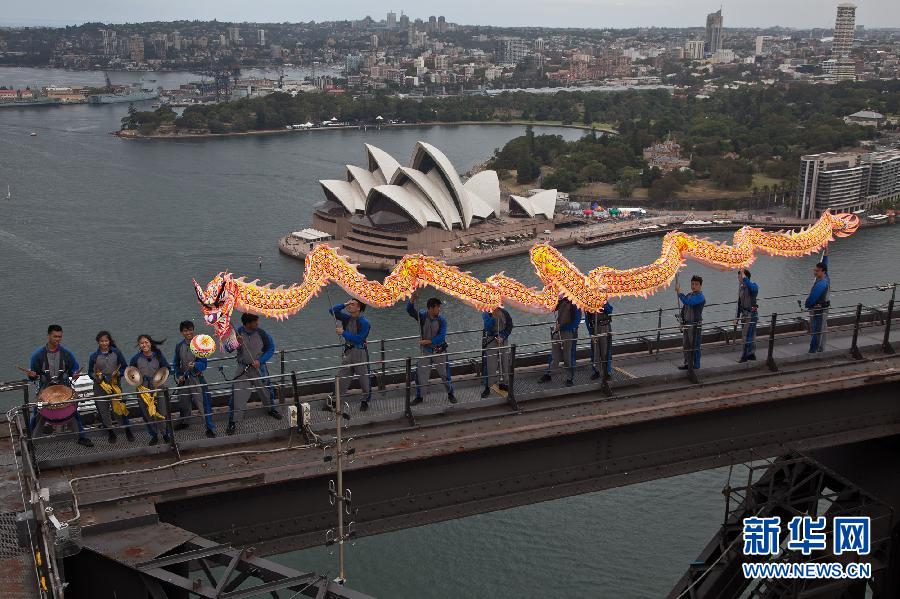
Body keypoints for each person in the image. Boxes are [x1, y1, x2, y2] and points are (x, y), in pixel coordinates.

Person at [25, 324, 94, 447]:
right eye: (55, 336)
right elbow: (33, 376)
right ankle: (30, 442)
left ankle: (81, 437)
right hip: (44, 390)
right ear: (48, 336)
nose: (57, 339)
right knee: (37, 415)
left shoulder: (66, 354)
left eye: (60, 337)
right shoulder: (38, 355)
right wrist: (32, 375)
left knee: (73, 413)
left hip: (64, 389)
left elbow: (74, 368)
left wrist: (75, 374)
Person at [226, 313, 283, 434]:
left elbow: (271, 348)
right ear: (247, 324)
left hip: (259, 368)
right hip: (243, 369)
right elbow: (228, 348)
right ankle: (233, 421)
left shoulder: (262, 333)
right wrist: (236, 342)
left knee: (266, 390)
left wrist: (260, 361)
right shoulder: (236, 332)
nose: (257, 324)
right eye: (255, 322)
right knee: (237, 394)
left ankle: (271, 409)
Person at [406, 295, 455, 404]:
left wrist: (427, 341)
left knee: (444, 374)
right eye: (437, 307)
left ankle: (450, 393)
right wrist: (412, 300)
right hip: (426, 352)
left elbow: (441, 337)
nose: (439, 309)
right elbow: (410, 311)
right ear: (430, 308)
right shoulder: (422, 316)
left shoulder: (442, 320)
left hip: (439, 351)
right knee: (421, 374)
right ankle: (420, 396)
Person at [87, 331, 134, 443]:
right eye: (102, 341)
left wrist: (118, 374)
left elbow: (125, 368)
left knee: (119, 409)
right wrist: (96, 377)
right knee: (103, 411)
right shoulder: (94, 356)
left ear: (109, 341)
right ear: (98, 342)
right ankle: (110, 432)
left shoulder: (116, 352)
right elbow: (89, 372)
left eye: (106, 341)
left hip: (115, 385)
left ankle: (127, 430)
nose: (104, 343)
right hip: (99, 387)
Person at [172, 321, 216, 438]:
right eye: (185, 330)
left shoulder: (200, 345)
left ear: (193, 330)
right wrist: (178, 375)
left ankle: (210, 427)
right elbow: (176, 363)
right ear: (181, 332)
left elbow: (204, 364)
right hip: (184, 380)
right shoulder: (179, 346)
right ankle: (185, 422)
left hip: (197, 378)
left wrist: (196, 365)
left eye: (190, 329)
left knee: (203, 404)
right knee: (183, 403)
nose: (188, 332)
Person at [330, 299, 373, 411]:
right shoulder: (346, 318)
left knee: (364, 379)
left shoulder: (364, 322)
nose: (349, 306)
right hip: (348, 352)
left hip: (360, 353)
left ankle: (365, 400)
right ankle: (335, 401)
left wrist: (343, 333)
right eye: (349, 304)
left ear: (359, 308)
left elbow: (359, 339)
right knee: (341, 377)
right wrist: (344, 304)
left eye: (352, 304)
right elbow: (332, 310)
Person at [129, 335, 171, 446]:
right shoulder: (135, 358)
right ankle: (154, 435)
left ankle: (165, 434)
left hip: (158, 386)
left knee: (162, 411)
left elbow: (167, 368)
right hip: (143, 389)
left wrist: (161, 375)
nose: (144, 345)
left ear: (150, 343)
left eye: (146, 342)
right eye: (142, 343)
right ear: (139, 345)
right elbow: (130, 373)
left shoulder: (158, 356)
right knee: (147, 412)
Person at [539, 297, 582, 387]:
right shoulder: (562, 301)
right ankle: (549, 374)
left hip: (568, 333)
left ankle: (569, 378)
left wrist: (562, 328)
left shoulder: (576, 304)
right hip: (558, 331)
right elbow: (553, 308)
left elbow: (576, 322)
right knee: (555, 355)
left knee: (568, 357)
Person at [481, 305, 513, 398]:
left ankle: (504, 383)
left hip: (503, 340)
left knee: (504, 362)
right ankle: (488, 386)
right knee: (490, 364)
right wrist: (492, 315)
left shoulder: (505, 312)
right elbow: (487, 327)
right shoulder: (486, 312)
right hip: (491, 340)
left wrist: (503, 336)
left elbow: (510, 325)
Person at [676, 276, 706, 370]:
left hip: (695, 325)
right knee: (686, 345)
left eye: (696, 284)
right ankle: (687, 364)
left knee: (695, 346)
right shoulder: (689, 295)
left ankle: (696, 365)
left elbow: (689, 302)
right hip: (686, 324)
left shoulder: (700, 297)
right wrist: (681, 321)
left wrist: (679, 292)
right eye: (692, 284)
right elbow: (684, 309)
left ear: (700, 286)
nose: (694, 286)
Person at [805, 247, 830, 353]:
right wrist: (826, 254)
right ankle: (820, 348)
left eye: (817, 271)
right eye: (814, 270)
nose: (815, 272)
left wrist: (807, 304)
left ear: (822, 271)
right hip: (824, 309)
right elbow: (825, 264)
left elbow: (813, 298)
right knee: (822, 329)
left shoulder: (821, 283)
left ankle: (814, 350)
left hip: (819, 309)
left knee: (817, 330)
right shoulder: (826, 277)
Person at [735, 270, 759, 362]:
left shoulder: (754, 286)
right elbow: (739, 303)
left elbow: (753, 289)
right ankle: (751, 354)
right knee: (750, 335)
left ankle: (745, 355)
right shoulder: (741, 288)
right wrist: (737, 317)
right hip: (744, 314)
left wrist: (745, 278)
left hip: (751, 314)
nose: (738, 279)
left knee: (747, 336)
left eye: (740, 276)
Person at [585, 301, 614, 380]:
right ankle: (596, 371)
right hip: (594, 328)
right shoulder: (587, 303)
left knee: (606, 351)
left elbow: (610, 310)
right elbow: (587, 319)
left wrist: (603, 305)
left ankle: (607, 372)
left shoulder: (603, 300)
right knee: (595, 351)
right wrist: (590, 332)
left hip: (605, 327)